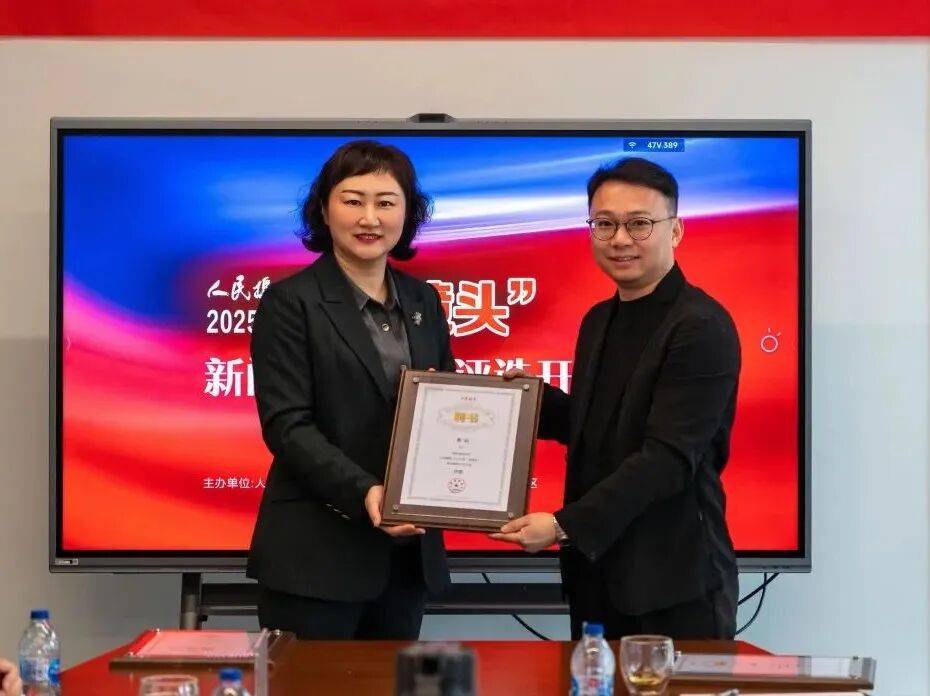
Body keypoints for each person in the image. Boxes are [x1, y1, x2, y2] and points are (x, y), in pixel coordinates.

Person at [492, 157, 740, 640]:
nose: (620, 239)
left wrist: (562, 525)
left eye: (639, 223)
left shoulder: (700, 326)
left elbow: (667, 458)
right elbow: (599, 429)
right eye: (604, 224)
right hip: (596, 576)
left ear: (675, 231)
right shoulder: (598, 320)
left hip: (671, 583)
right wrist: (527, 401)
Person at [247, 140, 453, 639]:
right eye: (353, 200)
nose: (369, 218)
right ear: (324, 209)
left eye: (386, 202)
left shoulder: (423, 300)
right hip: (315, 559)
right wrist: (365, 492)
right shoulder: (290, 303)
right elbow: (287, 426)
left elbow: (443, 405)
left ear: (408, 213)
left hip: (406, 559)